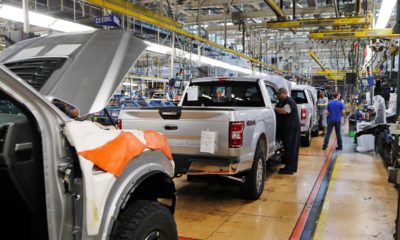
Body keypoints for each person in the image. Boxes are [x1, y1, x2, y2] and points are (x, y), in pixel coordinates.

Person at [274, 88, 300, 174]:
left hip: (292, 130)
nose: (277, 96)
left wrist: (274, 109)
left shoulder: (289, 101)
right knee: (288, 148)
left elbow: (284, 111)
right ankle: (287, 165)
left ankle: (289, 169)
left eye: (279, 94)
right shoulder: (282, 101)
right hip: (287, 129)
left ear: (284, 93)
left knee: (291, 148)